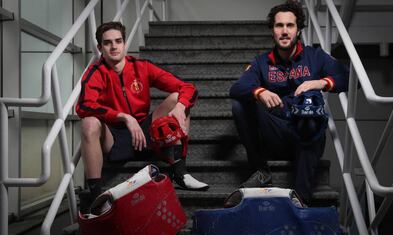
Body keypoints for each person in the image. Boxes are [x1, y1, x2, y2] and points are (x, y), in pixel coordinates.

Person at [229, 0, 348, 203]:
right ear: (273, 30)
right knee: (240, 104)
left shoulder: (315, 56)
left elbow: (347, 77)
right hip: (276, 132)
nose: (284, 31)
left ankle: (301, 200)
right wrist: (259, 92)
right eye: (279, 25)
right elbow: (236, 88)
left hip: (306, 131)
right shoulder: (261, 62)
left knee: (310, 106)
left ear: (299, 30)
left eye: (290, 25)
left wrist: (320, 82)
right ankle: (261, 170)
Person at [76, 22, 209, 204]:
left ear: (124, 44)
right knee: (89, 122)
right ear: (100, 48)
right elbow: (84, 106)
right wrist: (123, 117)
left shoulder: (141, 67)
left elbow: (188, 88)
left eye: (118, 41)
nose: (114, 46)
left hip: (147, 135)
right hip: (115, 138)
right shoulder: (95, 72)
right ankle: (95, 194)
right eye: (107, 43)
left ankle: (180, 173)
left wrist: (180, 107)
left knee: (178, 98)